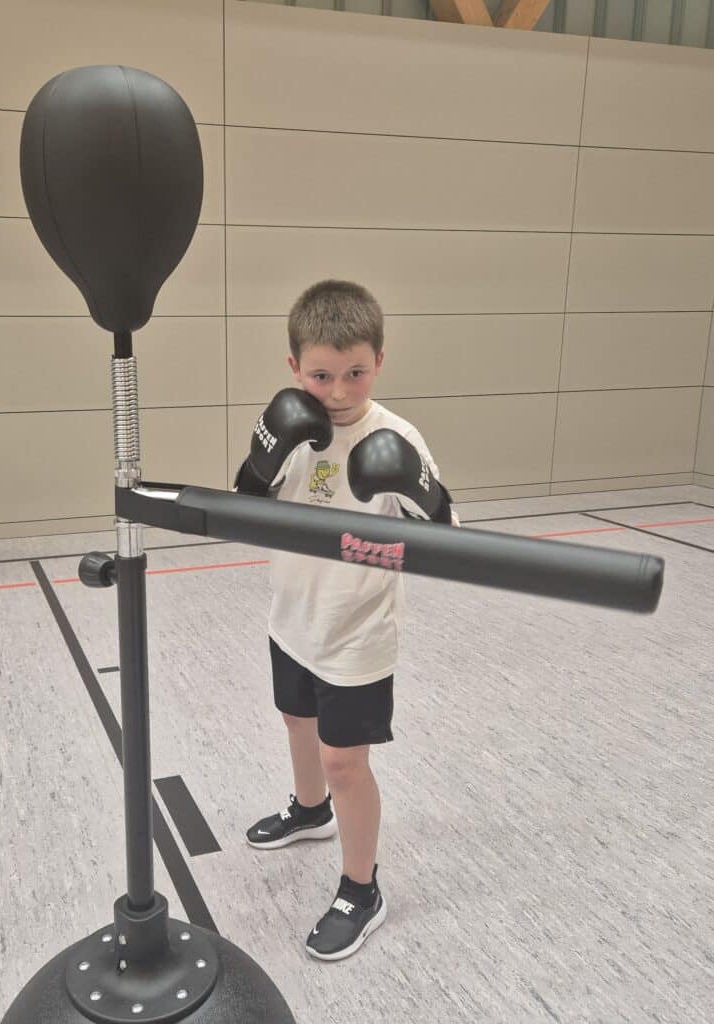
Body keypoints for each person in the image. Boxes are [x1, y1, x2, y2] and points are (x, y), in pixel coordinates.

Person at [234, 279, 459, 961]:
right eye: (322, 375)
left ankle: (362, 889)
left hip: (358, 634)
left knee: (345, 763)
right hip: (292, 617)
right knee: (296, 722)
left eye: (356, 373)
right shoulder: (290, 425)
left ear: (379, 361)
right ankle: (310, 811)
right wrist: (260, 460)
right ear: (295, 367)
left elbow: (446, 537)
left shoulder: (396, 437)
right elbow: (247, 509)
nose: (338, 391)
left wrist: (417, 486)